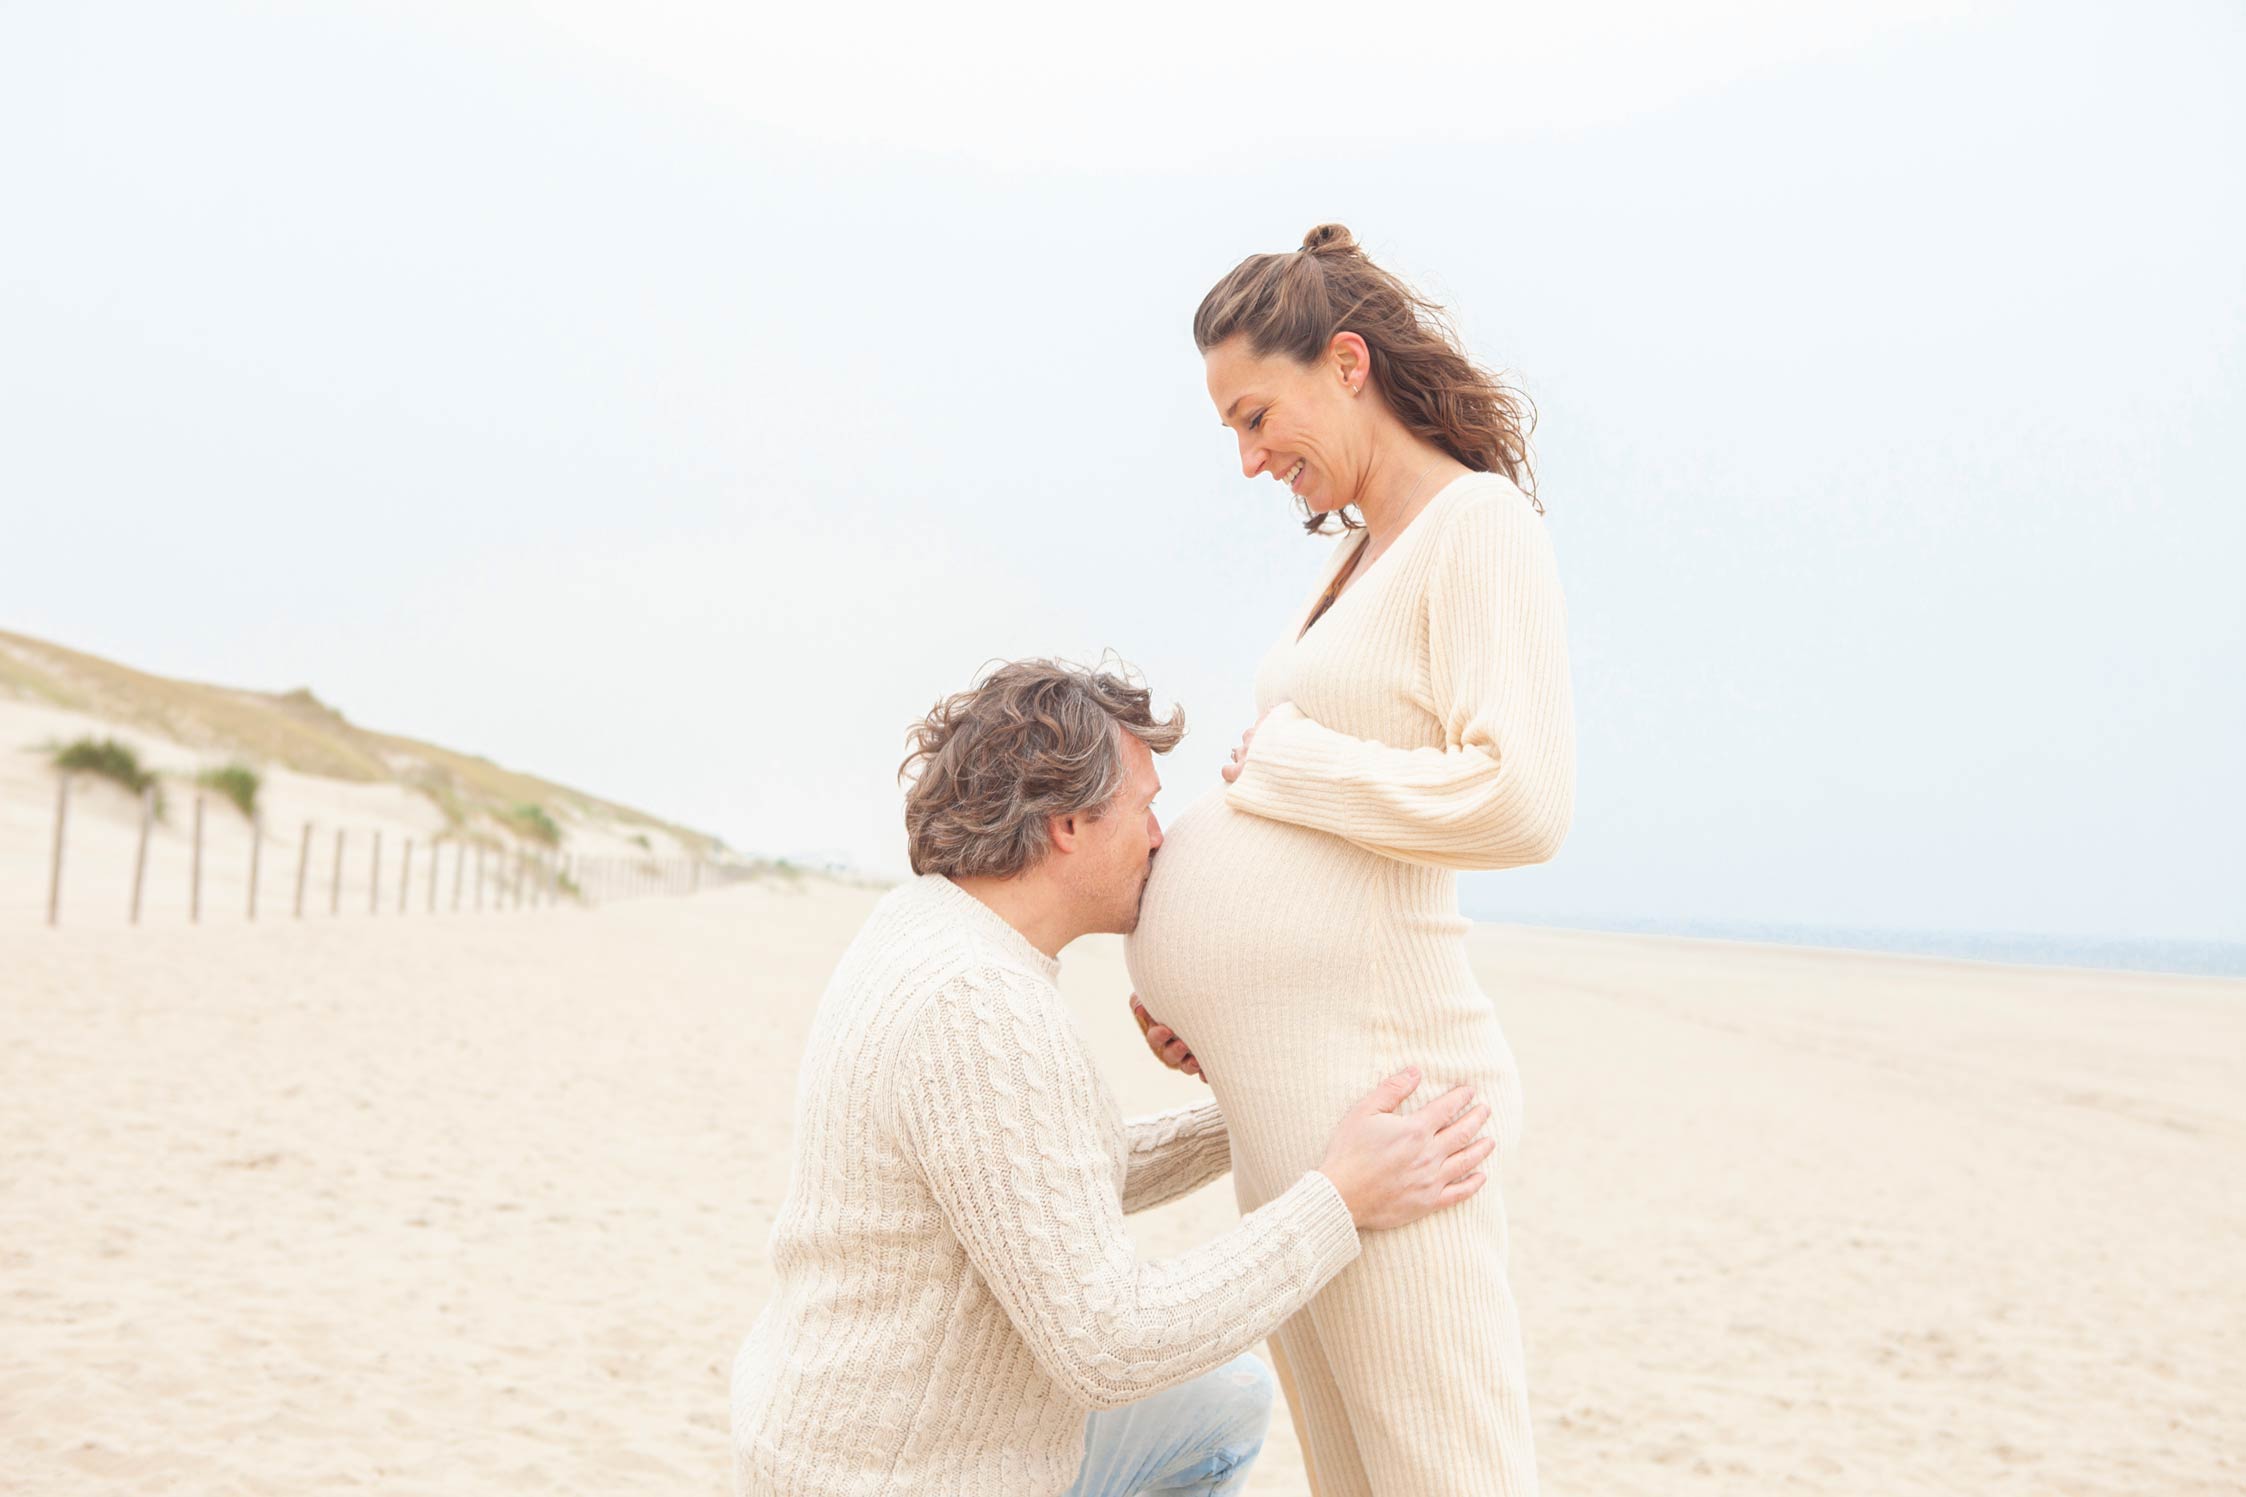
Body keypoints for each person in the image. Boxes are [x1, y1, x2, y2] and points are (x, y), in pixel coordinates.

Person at [729, 657, 1497, 1497]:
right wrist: (1340, 1200)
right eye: (1144, 807)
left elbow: (1033, 1185)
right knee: (1210, 1396)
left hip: (837, 1444)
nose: (1159, 836)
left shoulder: (928, 926)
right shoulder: (980, 1008)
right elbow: (1110, 1346)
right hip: (897, 1478)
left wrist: (1249, 1104)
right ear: (1068, 822)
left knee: (1226, 1400)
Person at [1125, 224, 1577, 1496]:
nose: (1248, 456)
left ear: (1344, 362)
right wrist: (1219, 999)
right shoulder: (1355, 556)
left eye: (1254, 416)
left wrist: (1293, 769)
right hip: (1298, 1141)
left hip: (1397, 1123)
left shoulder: (1476, 526)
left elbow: (1522, 803)